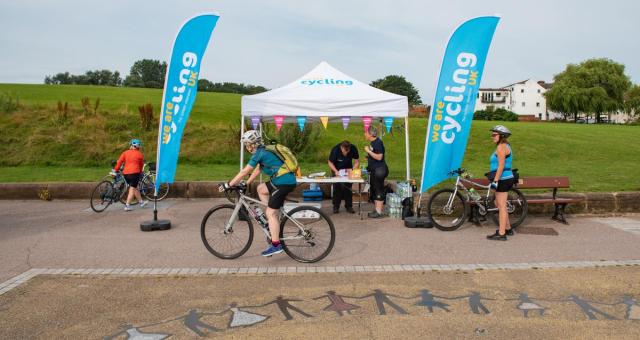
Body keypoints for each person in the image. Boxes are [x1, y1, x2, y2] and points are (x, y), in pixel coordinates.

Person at [219, 130, 297, 257]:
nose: (247, 147)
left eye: (248, 144)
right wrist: (247, 183)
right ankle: (272, 219)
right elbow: (258, 169)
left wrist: (229, 185)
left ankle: (276, 245)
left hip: (283, 182)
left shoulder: (259, 153)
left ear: (253, 144)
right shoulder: (263, 151)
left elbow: (244, 171)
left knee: (270, 213)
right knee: (261, 189)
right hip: (283, 180)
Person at [486, 125, 515, 241]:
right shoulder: (504, 146)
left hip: (503, 178)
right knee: (499, 204)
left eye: (494, 135)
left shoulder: (501, 147)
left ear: (501, 136)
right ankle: (507, 228)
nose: (492, 137)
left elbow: (501, 165)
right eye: (492, 134)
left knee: (501, 206)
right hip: (505, 178)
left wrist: (496, 181)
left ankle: (502, 233)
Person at [114, 139, 148, 211]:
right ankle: (127, 206)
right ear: (138, 147)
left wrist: (116, 169)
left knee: (135, 187)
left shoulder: (125, 153)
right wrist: (140, 171)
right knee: (132, 188)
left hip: (126, 174)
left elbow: (119, 162)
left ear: (131, 146)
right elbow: (141, 165)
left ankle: (141, 202)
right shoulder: (139, 154)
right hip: (135, 173)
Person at [328, 140, 360, 214]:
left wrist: (353, 170)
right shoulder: (335, 150)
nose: (346, 153)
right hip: (336, 169)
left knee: (348, 187)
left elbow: (357, 161)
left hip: (348, 169)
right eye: (344, 151)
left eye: (347, 151)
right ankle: (336, 206)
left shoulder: (353, 148)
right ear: (341, 147)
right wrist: (335, 171)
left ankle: (349, 206)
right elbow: (330, 162)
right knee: (337, 187)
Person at [363, 126, 388, 218]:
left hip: (379, 170)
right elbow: (375, 155)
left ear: (370, 134)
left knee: (378, 189)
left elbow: (379, 157)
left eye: (366, 132)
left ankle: (379, 212)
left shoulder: (378, 142)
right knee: (375, 189)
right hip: (376, 169)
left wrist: (368, 151)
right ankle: (377, 210)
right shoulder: (373, 142)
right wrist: (369, 157)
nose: (364, 134)